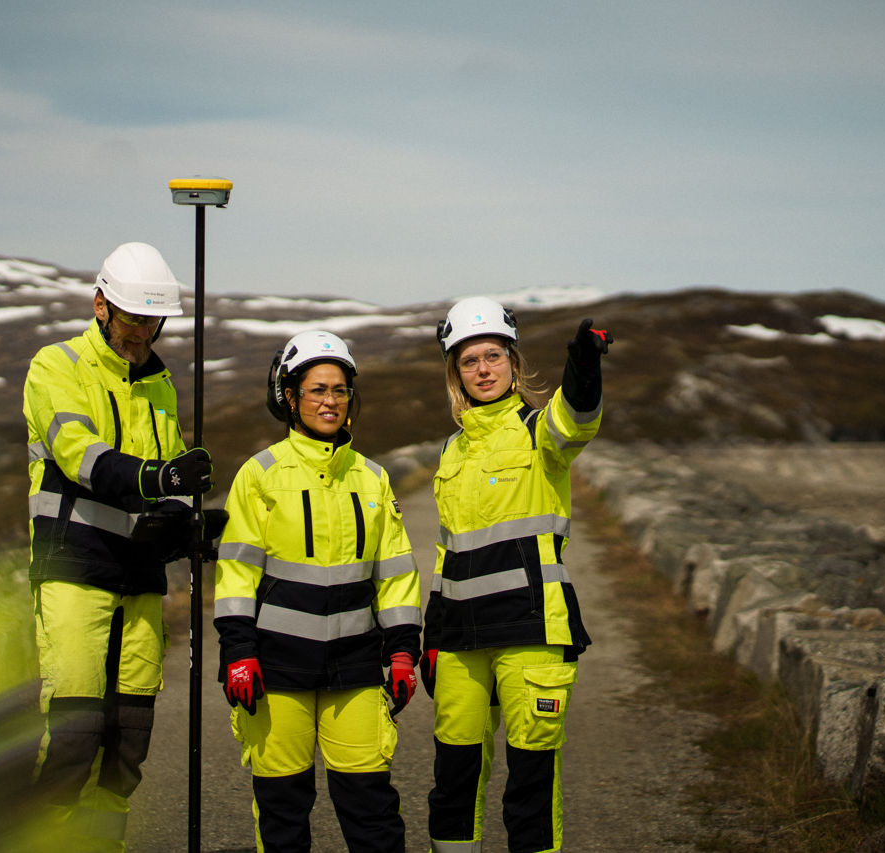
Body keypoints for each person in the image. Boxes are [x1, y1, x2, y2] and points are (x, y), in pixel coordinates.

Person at [22, 241, 214, 851]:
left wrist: (187, 519)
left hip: (140, 578)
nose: (142, 333)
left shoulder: (160, 386)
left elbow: (172, 477)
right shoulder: (56, 367)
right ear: (100, 305)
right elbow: (81, 456)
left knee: (127, 744)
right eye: (132, 319)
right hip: (75, 569)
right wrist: (159, 480)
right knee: (74, 735)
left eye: (153, 322)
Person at [213, 330, 422, 853]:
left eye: (340, 390)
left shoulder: (373, 479)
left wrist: (401, 653)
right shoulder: (259, 475)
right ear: (289, 396)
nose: (330, 401)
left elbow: (395, 575)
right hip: (276, 670)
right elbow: (237, 574)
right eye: (316, 390)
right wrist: (239, 652)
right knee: (283, 812)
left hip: (354, 667)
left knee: (371, 808)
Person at [421, 297, 611, 853]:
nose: (483, 369)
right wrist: (432, 637)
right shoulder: (451, 450)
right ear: (455, 372)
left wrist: (583, 370)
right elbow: (445, 552)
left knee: (528, 787)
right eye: (469, 360)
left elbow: (576, 421)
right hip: (459, 642)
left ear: (513, 361)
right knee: (452, 784)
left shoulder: (538, 430)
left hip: (531, 631)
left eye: (494, 356)